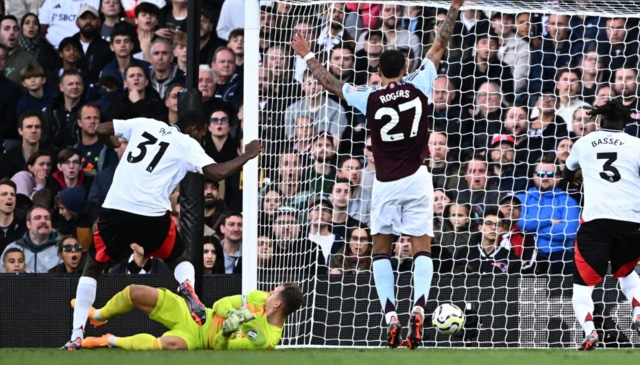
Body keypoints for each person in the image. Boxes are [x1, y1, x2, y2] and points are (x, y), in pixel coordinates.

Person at [290, 0, 463, 350]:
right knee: (421, 249)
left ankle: (390, 314)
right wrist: (454, 7)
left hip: (384, 183)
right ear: (406, 67)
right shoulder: (421, 83)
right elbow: (440, 42)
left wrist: (308, 56)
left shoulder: (368, 96)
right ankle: (418, 305)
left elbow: (332, 84)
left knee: (381, 249)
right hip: (418, 178)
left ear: (379, 73)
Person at [62, 112, 263, 350]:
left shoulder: (143, 123)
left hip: (115, 209)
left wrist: (114, 143)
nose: (202, 138)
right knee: (179, 258)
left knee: (93, 266)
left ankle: (76, 334)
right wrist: (248, 155)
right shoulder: (187, 144)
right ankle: (187, 284)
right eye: (202, 134)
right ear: (196, 129)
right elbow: (217, 172)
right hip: (152, 215)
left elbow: (101, 129)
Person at [564, 99, 640, 351]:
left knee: (582, 287)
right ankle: (638, 310)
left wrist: (574, 177)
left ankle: (589, 331)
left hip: (595, 222)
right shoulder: (637, 145)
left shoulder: (584, 143)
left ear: (599, 120)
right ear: (626, 122)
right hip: (631, 221)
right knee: (627, 273)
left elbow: (568, 170)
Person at [77, 282, 303, 350]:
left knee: (169, 344)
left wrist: (231, 329)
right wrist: (232, 313)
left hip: (199, 339)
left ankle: (108, 340)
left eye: (274, 292)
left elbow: (218, 347)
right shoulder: (259, 297)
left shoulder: (267, 341)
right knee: (136, 292)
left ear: (278, 303)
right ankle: (98, 314)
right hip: (198, 313)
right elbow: (220, 303)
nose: (269, 292)